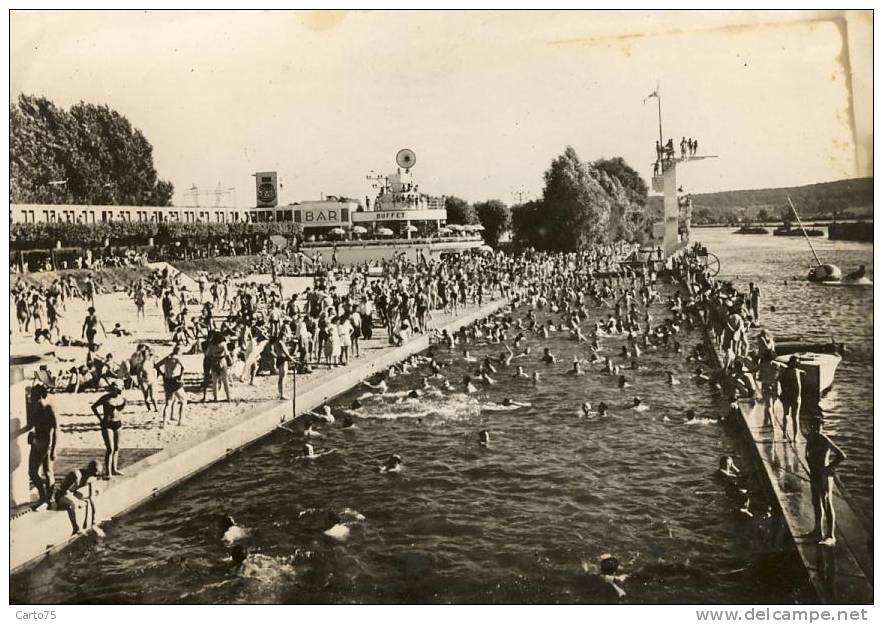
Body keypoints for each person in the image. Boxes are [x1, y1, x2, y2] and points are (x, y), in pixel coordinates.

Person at [805, 418, 847, 546]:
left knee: (826, 502)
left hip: (825, 476)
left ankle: (831, 536)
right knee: (816, 502)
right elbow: (806, 455)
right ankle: (818, 530)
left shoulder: (824, 439)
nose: (817, 429)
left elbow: (842, 455)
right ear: (810, 426)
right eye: (814, 426)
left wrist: (828, 468)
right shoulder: (810, 437)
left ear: (822, 427)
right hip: (815, 474)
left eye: (819, 427)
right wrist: (811, 468)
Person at [25, 385, 58, 510]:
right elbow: (29, 426)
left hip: (47, 444)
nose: (30, 398)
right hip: (37, 443)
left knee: (48, 471)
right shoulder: (36, 409)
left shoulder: (49, 408)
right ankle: (43, 496)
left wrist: (54, 448)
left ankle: (49, 498)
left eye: (33, 396)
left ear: (38, 396)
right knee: (32, 472)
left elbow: (56, 429)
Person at [55, 460, 101, 534]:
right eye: (93, 474)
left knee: (96, 493)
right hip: (61, 495)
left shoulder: (92, 478)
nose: (93, 477)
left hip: (72, 493)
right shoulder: (75, 475)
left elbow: (92, 498)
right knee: (74, 504)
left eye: (96, 475)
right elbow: (63, 491)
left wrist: (94, 519)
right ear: (89, 470)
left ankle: (87, 523)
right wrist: (77, 501)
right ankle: (76, 528)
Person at [92, 382, 127, 477]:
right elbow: (94, 407)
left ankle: (114, 469)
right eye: (113, 389)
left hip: (118, 424)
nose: (115, 391)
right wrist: (100, 418)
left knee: (117, 448)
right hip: (107, 424)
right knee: (110, 448)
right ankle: (108, 472)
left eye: (116, 389)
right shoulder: (105, 398)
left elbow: (121, 411)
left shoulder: (122, 399)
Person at [156, 346, 187, 427]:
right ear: (179, 351)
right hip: (175, 381)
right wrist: (180, 376)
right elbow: (183, 367)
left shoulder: (167, 358)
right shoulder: (177, 358)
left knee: (168, 403)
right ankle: (181, 420)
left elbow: (156, 365)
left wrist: (162, 374)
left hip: (167, 380)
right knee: (184, 400)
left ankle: (164, 423)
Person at [779, 356, 805, 443]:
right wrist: (798, 397)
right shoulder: (796, 372)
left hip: (786, 395)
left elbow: (781, 381)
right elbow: (798, 387)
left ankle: (784, 433)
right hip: (794, 397)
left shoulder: (785, 371)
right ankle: (795, 437)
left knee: (785, 414)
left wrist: (781, 393)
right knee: (795, 417)